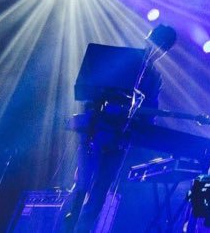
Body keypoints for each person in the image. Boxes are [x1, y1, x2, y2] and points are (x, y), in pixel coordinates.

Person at [63, 25, 174, 232]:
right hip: (96, 131)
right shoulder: (123, 59)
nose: (155, 50)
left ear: (164, 51)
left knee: (99, 192)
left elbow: (150, 113)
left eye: (162, 48)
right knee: (81, 187)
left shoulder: (154, 78)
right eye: (155, 42)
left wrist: (143, 121)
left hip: (120, 139)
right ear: (148, 38)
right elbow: (91, 89)